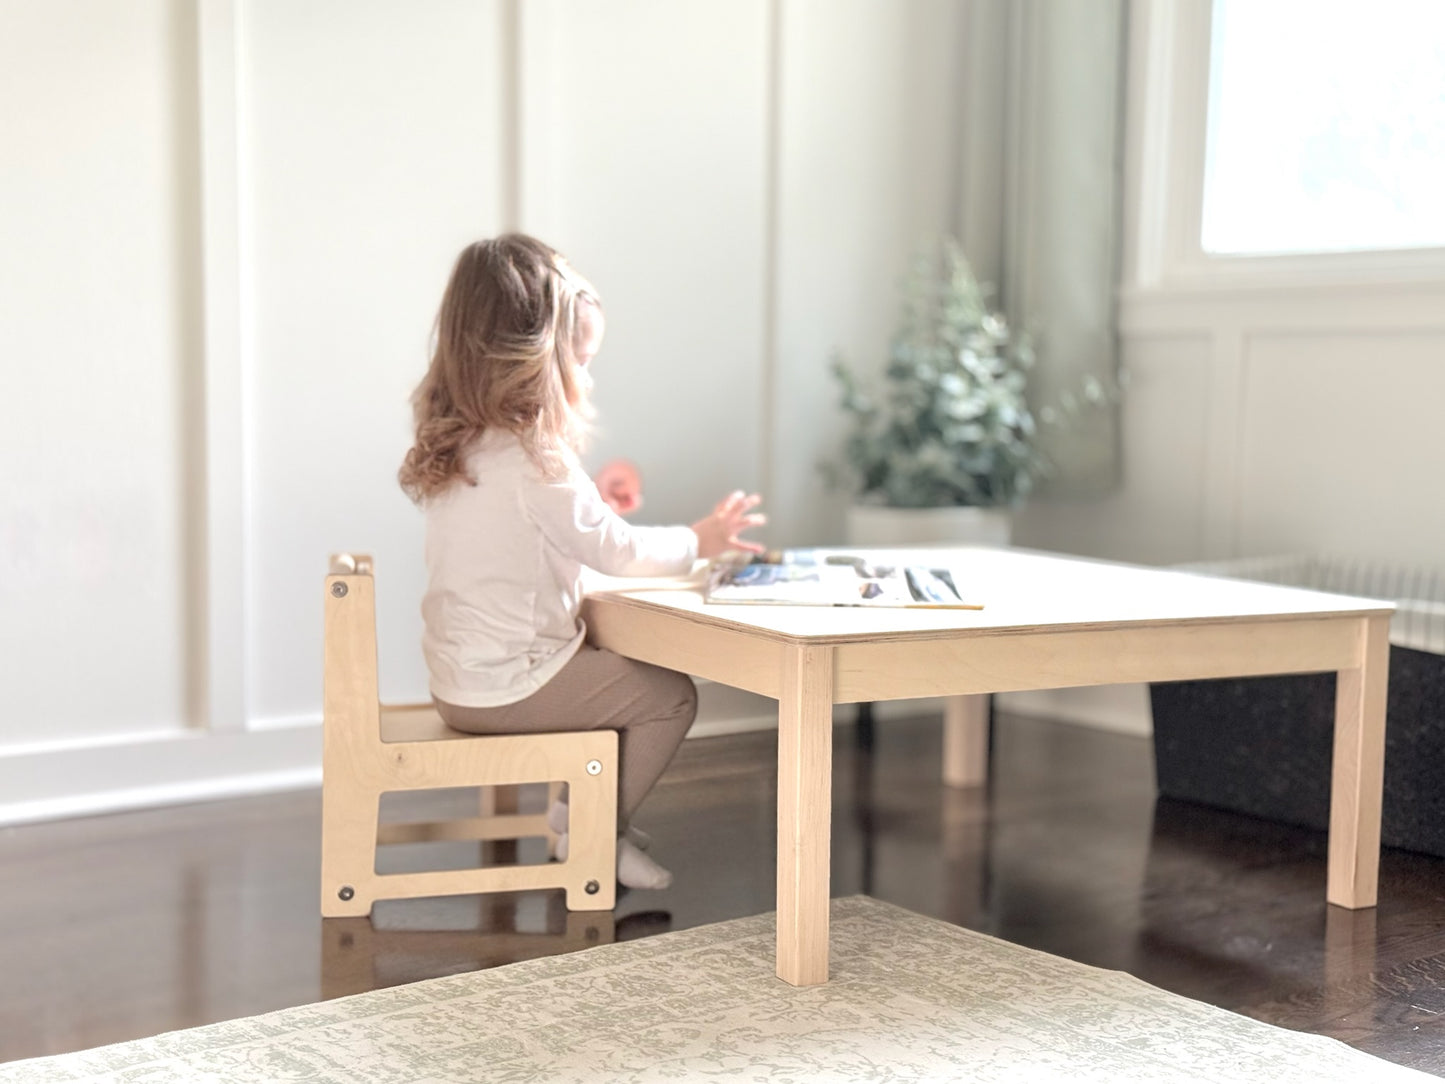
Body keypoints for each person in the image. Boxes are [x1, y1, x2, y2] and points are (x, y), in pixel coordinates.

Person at [398, 233, 764, 890]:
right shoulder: (536, 459)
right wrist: (700, 539)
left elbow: (540, 544)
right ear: (532, 358)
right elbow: (615, 552)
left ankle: (594, 817)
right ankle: (590, 831)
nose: (588, 377)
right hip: (511, 686)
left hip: (462, 679)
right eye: (582, 359)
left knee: (628, 680)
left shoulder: (471, 445)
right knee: (666, 698)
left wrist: (600, 502)